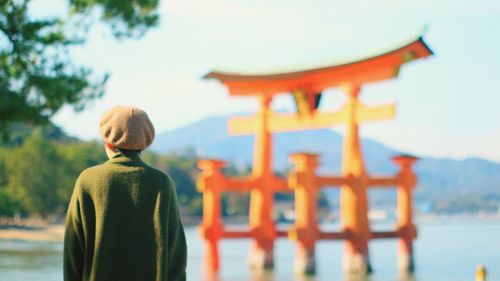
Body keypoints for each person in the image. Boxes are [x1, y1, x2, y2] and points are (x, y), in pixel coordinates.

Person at [64, 106, 187, 281]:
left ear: (108, 143)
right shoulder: (162, 183)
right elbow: (176, 256)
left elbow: (73, 249)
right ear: (144, 144)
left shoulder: (88, 180)